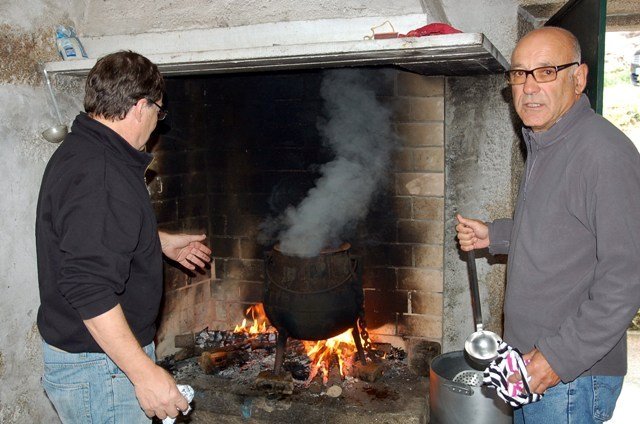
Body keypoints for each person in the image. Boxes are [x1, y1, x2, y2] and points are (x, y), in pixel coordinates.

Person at [456, 27, 640, 423]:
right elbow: (561, 227)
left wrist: (557, 358)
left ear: (579, 78)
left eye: (546, 71)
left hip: (570, 376)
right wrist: (495, 234)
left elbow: (627, 276)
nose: (529, 87)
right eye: (519, 74)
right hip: (530, 359)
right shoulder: (547, 141)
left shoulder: (602, 154)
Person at [36, 51, 212, 423]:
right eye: (158, 111)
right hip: (104, 369)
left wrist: (157, 242)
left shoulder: (87, 150)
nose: (158, 121)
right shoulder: (101, 173)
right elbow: (87, 285)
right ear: (140, 106)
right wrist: (144, 373)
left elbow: (88, 237)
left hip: (100, 363)